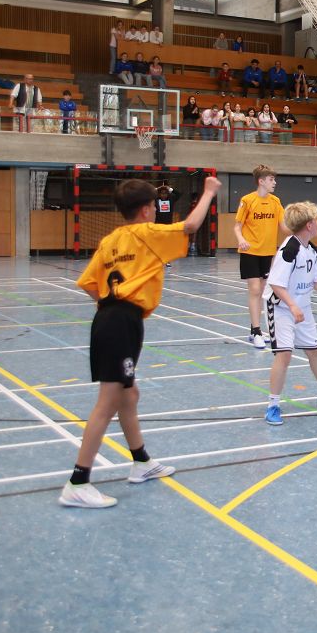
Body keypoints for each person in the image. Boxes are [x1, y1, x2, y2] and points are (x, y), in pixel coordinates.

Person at [58, 175, 222, 508]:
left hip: (110, 319)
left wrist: (110, 306)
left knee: (129, 395)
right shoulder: (147, 233)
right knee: (108, 402)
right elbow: (191, 226)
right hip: (121, 322)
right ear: (147, 209)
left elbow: (88, 283)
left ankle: (141, 461)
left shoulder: (110, 240)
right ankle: (78, 481)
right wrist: (208, 192)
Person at [262, 200, 317, 425]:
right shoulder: (289, 250)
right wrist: (292, 306)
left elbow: (315, 278)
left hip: (302, 307)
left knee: (315, 351)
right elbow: (275, 283)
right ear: (309, 225)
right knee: (284, 355)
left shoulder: (310, 250)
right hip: (281, 308)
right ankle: (273, 405)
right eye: (316, 220)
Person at [234, 164, 289, 348]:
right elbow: (237, 226)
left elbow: (284, 227)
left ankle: (254, 329)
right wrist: (241, 239)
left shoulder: (276, 201)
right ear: (261, 181)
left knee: (262, 290)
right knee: (255, 290)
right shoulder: (247, 200)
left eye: (274, 179)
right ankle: (257, 331)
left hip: (268, 252)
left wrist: (300, 229)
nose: (275, 182)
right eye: (271, 179)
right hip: (250, 251)